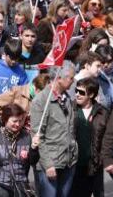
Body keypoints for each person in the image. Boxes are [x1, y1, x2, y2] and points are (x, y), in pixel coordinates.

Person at [30, 61, 78, 197]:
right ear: (58, 78)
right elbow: (38, 136)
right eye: (70, 78)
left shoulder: (67, 99)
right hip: (50, 163)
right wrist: (48, 164)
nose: (73, 81)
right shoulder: (41, 101)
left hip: (68, 160)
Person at [0, 104, 39, 196]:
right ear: (5, 119)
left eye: (20, 121)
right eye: (14, 121)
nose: (18, 124)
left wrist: (33, 148)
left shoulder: (26, 137)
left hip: (20, 188)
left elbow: (33, 161)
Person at [70, 78, 108, 197]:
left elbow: (107, 138)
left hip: (94, 165)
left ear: (91, 94)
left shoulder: (103, 112)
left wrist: (101, 158)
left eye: (81, 92)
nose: (77, 94)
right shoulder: (70, 108)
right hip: (73, 164)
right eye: (76, 90)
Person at [95, 45, 113, 110]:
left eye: (109, 61)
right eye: (103, 62)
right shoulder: (95, 75)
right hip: (102, 111)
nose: (106, 65)